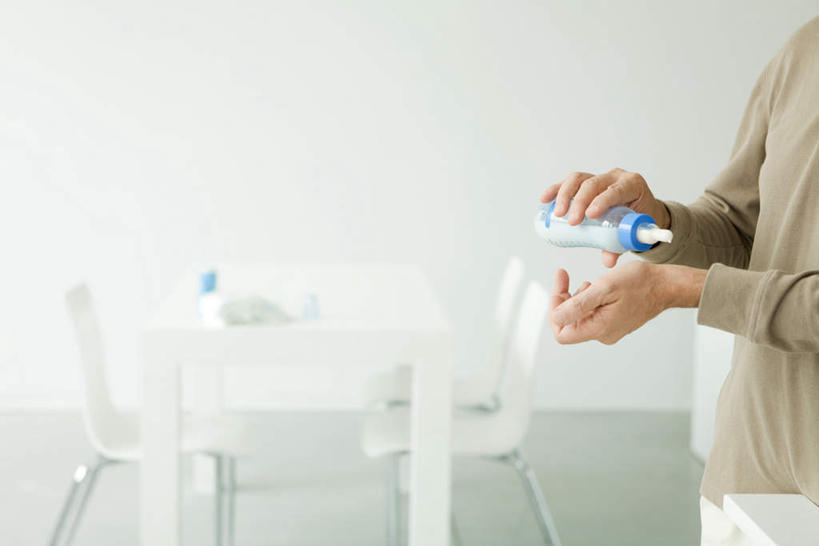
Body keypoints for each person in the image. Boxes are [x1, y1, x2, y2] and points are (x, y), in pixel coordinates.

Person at [540, 16, 819, 546]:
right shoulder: (806, 50)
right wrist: (659, 222)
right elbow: (741, 225)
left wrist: (678, 288)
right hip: (746, 480)